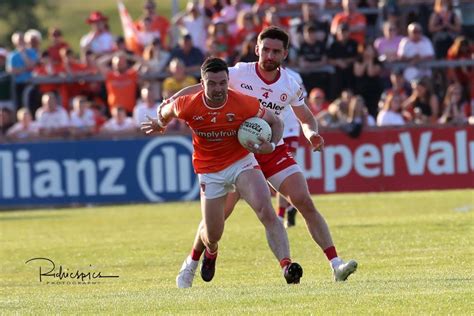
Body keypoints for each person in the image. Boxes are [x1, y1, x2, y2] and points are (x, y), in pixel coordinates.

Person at [167, 27, 358, 283]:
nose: (269, 55)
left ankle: (336, 265)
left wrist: (312, 133)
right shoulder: (238, 73)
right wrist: (169, 103)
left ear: (285, 54)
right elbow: (199, 88)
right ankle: (192, 262)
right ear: (256, 48)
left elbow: (306, 118)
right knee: (216, 222)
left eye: (276, 51)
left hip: (270, 148)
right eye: (265, 49)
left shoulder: (290, 84)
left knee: (303, 200)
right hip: (235, 153)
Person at [141, 57, 302, 288]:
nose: (218, 89)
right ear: (202, 83)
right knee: (213, 233)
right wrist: (160, 123)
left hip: (241, 162)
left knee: (265, 208)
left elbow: (276, 122)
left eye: (223, 83)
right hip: (210, 172)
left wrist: (272, 145)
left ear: (228, 81)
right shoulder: (187, 104)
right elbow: (166, 111)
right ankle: (212, 251)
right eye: (212, 83)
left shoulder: (243, 103)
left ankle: (287, 266)